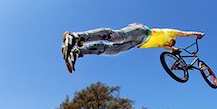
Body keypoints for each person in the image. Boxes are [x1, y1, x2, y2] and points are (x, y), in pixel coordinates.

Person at [62, 23, 204, 73]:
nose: (171, 44)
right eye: (172, 43)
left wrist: (175, 53)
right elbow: (185, 33)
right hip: (141, 31)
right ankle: (76, 36)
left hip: (136, 44)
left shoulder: (162, 45)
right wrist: (196, 34)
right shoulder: (170, 33)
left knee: (113, 50)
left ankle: (78, 51)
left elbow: (169, 50)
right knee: (117, 36)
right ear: (173, 39)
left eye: (171, 45)